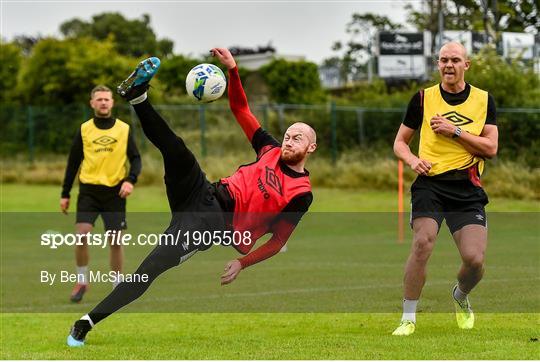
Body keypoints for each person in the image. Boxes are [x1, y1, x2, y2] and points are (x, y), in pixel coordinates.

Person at [66, 48, 317, 347]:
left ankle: (86, 322)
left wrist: (242, 263)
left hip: (211, 224)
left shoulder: (301, 194)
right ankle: (137, 97)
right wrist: (233, 71)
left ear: (311, 148)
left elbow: (277, 242)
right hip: (203, 191)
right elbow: (241, 110)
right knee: (176, 149)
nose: (288, 141)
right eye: (287, 135)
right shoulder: (270, 149)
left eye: (297, 138)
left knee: (152, 267)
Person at [392, 41, 498, 336]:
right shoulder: (423, 99)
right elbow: (400, 142)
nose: (448, 65)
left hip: (467, 187)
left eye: (454, 60)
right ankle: (408, 318)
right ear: (438, 64)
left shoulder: (483, 100)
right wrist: (413, 160)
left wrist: (455, 131)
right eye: (443, 60)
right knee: (422, 243)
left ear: (467, 65)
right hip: (430, 186)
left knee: (474, 261)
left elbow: (491, 148)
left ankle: (460, 296)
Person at [61, 85, 142, 302]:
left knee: (115, 241)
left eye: (107, 99)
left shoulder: (123, 129)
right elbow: (73, 162)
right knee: (82, 235)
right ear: (92, 103)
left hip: (115, 193)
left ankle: (117, 286)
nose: (103, 102)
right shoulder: (84, 129)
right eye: (99, 99)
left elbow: (136, 159)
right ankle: (82, 281)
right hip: (88, 191)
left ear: (112, 103)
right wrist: (65, 193)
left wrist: (130, 180)